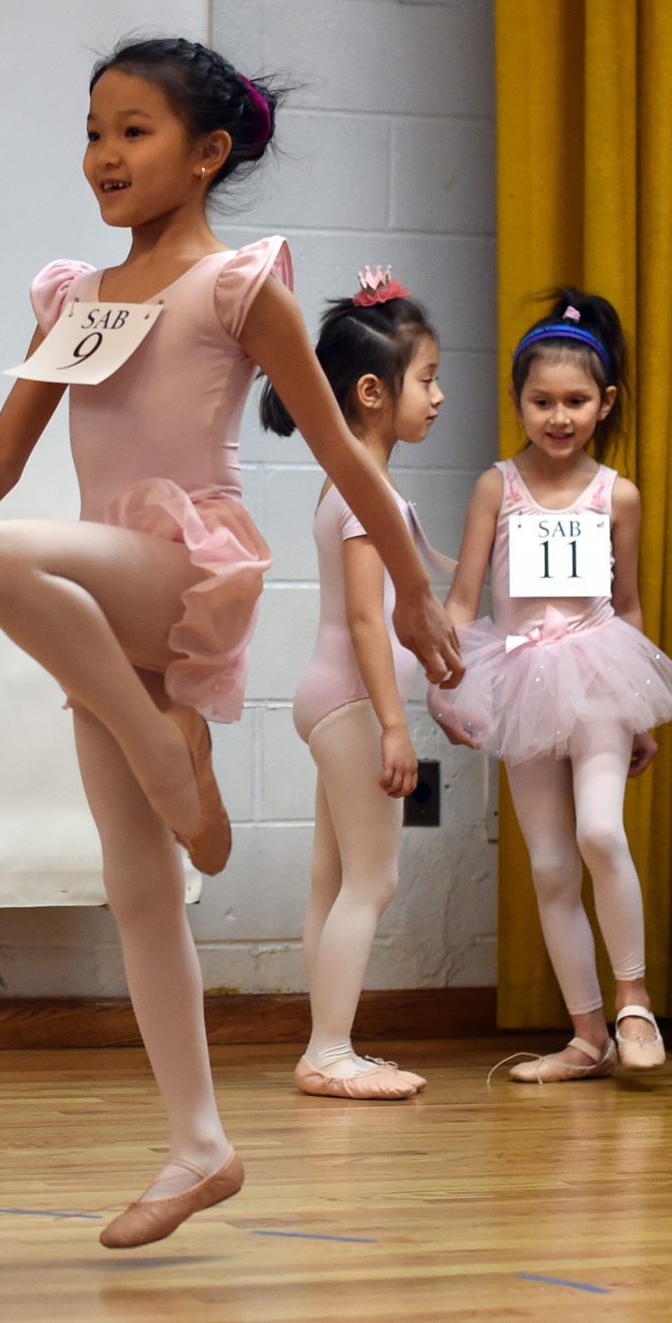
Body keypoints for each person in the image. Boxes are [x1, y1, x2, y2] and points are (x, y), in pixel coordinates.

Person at [0, 37, 462, 1248]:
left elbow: (345, 455)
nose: (101, 154)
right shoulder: (75, 297)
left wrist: (410, 588)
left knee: (1, 560)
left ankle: (157, 745)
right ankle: (198, 1147)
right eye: (91, 130)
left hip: (184, 558)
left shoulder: (238, 285)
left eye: (131, 130)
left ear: (206, 153)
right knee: (138, 885)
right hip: (104, 588)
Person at [430, 290, 672, 1083]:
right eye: (541, 400)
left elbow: (629, 601)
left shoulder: (616, 493)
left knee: (600, 833)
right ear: (517, 399)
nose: (558, 416)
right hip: (518, 677)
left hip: (599, 670)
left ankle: (634, 1000)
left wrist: (642, 708)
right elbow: (463, 596)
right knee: (549, 865)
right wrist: (448, 683)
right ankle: (587, 1037)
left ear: (604, 403)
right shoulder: (496, 487)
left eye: (575, 401)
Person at [263, 269, 448, 1100]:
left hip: (330, 698)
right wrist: (394, 726)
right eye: (428, 378)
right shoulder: (364, 491)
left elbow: (407, 608)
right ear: (373, 392)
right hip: (350, 702)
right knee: (373, 881)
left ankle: (325, 1042)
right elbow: (373, 622)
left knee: (332, 881)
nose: (438, 396)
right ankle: (329, 1050)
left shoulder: (352, 486)